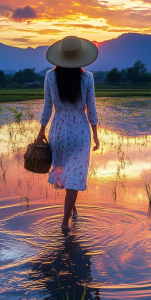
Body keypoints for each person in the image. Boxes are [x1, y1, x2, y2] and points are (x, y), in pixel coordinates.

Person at [37, 36, 99, 232]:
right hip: (80, 131)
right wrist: (95, 133)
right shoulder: (87, 77)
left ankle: (73, 210)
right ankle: (65, 223)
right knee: (75, 175)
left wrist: (41, 130)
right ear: (80, 57)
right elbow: (92, 109)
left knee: (67, 172)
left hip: (58, 131)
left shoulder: (50, 76)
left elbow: (47, 107)